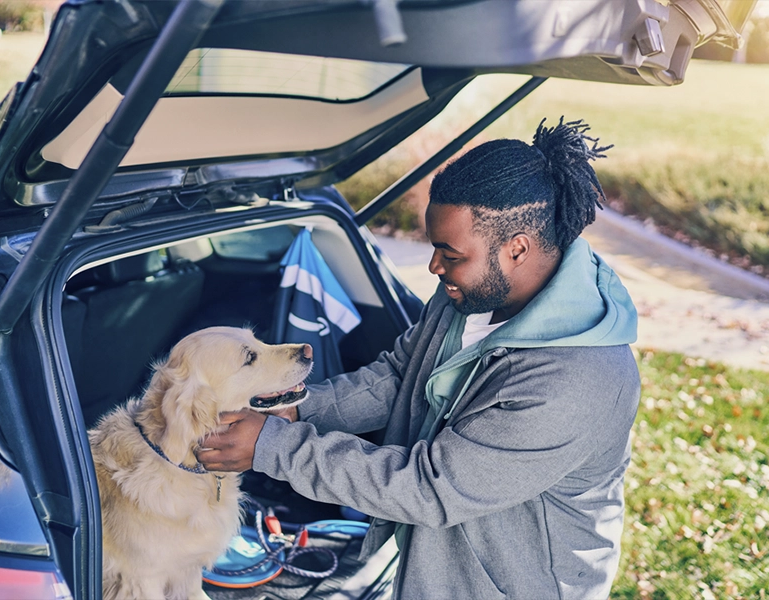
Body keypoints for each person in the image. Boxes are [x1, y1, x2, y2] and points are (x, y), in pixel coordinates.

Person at [197, 117, 641, 599]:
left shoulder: (576, 380)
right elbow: (398, 376)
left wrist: (274, 445)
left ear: (517, 249)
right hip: (436, 563)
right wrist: (299, 410)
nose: (434, 268)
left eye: (449, 254)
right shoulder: (469, 294)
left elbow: (431, 488)